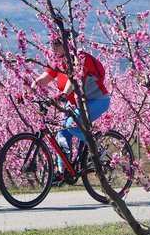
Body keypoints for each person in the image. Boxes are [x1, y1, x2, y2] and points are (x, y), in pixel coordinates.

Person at [32, 36, 109, 181]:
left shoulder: (79, 59)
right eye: (51, 43)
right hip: (74, 103)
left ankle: (97, 149)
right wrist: (29, 89)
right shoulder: (57, 61)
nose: (53, 47)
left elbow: (73, 81)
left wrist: (63, 95)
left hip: (96, 100)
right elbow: (44, 79)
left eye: (57, 43)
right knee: (62, 134)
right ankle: (62, 171)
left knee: (72, 126)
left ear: (67, 43)